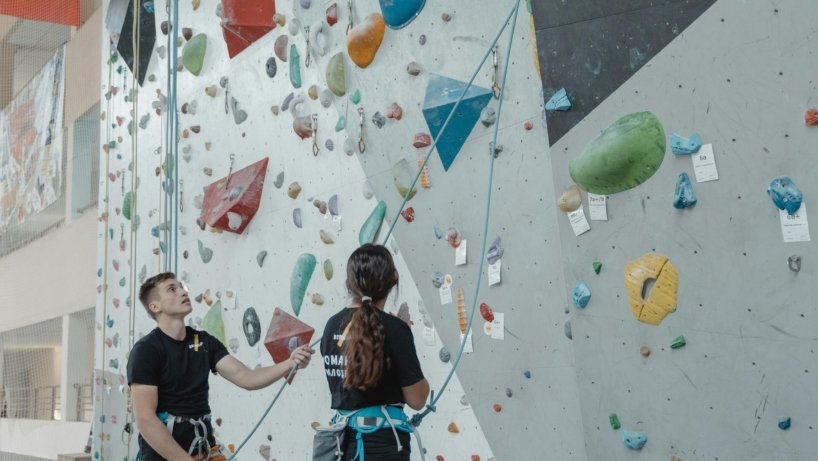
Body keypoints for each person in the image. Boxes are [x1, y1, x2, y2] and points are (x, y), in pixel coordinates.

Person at [128, 272, 314, 461]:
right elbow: (145, 420)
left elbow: (246, 377)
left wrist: (290, 363)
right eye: (172, 289)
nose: (183, 292)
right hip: (165, 455)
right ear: (155, 306)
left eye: (181, 286)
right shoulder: (147, 350)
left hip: (204, 449)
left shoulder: (204, 342)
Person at [321, 244, 430, 460]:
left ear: (348, 283)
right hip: (383, 447)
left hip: (341, 446)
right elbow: (417, 399)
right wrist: (403, 336)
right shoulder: (395, 329)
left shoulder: (332, 326)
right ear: (393, 279)